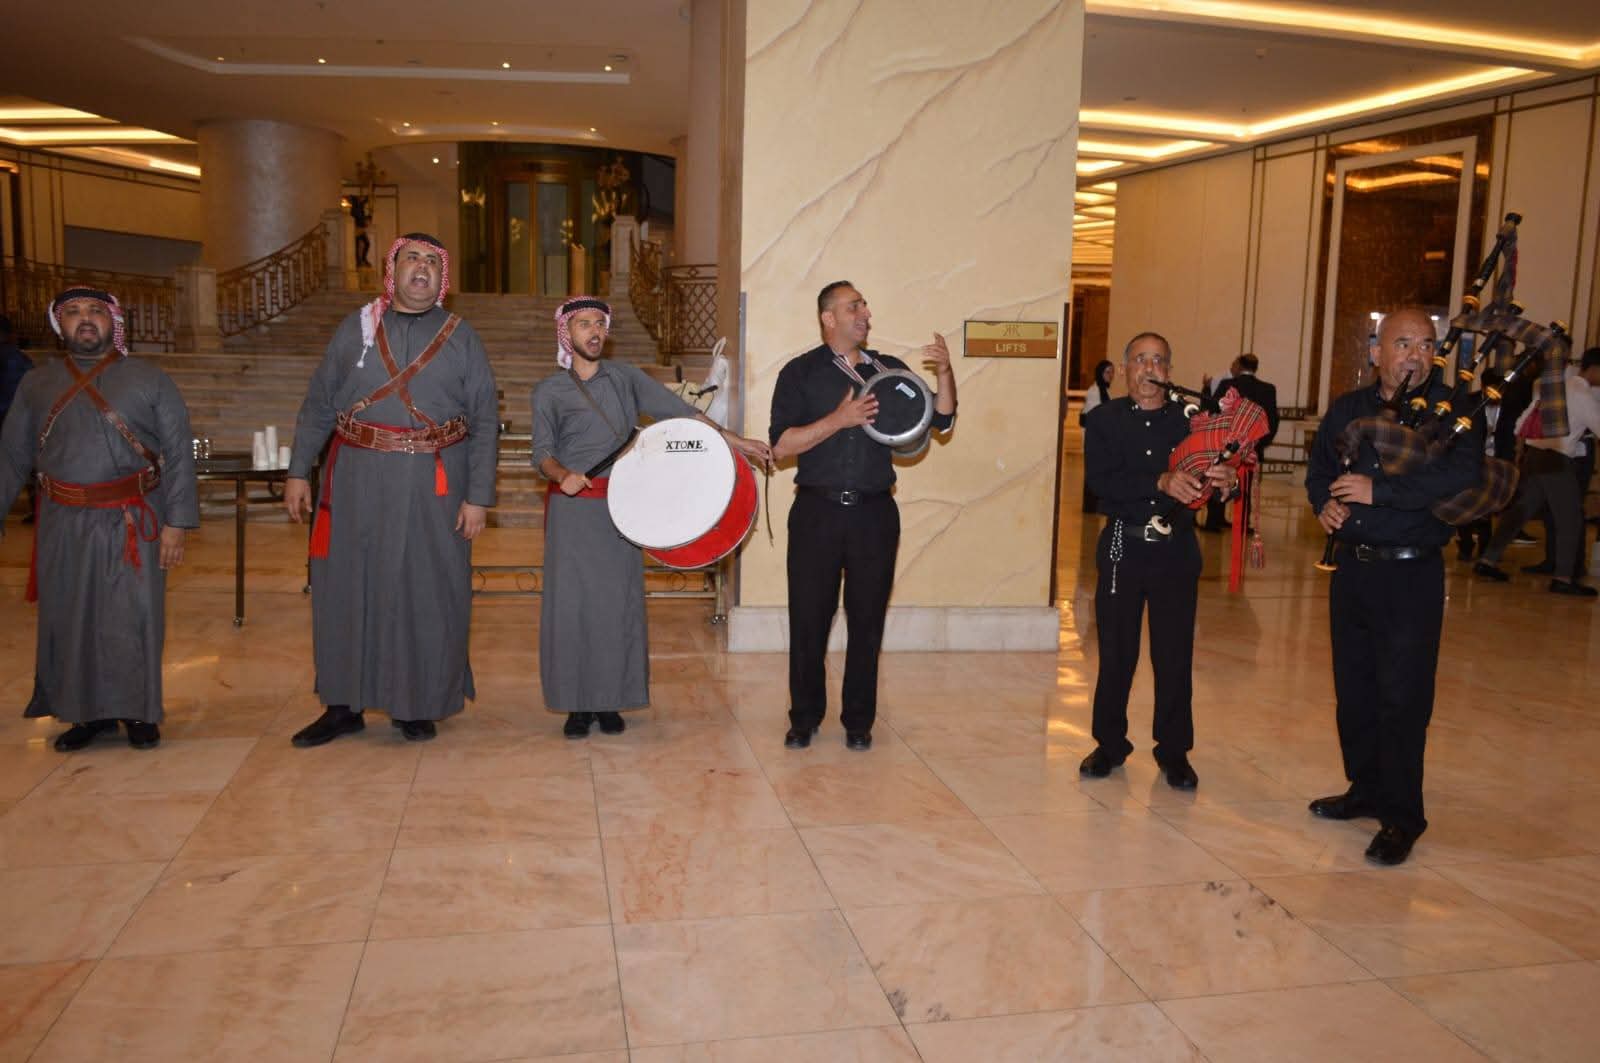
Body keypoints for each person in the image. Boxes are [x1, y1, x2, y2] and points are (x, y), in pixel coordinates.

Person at [284, 233, 499, 746]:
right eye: (411, 259)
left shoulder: (461, 336)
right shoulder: (356, 328)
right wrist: (296, 470)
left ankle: (416, 702)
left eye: (431, 262)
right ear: (392, 270)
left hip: (433, 484)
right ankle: (343, 704)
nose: (421, 268)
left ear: (442, 278)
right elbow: (320, 402)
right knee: (344, 588)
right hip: (354, 480)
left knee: (425, 590)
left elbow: (485, 419)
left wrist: (478, 496)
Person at [532, 296, 771, 739]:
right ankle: (576, 705)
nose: (594, 332)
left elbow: (684, 415)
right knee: (572, 606)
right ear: (566, 333)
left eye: (599, 323)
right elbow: (541, 452)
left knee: (617, 602)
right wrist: (561, 474)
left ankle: (610, 700)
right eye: (584, 324)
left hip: (623, 507)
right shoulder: (549, 390)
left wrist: (736, 441)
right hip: (572, 512)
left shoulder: (627, 378)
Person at [1305, 306, 1484, 865]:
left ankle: (1402, 816)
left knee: (1403, 698)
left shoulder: (1454, 412)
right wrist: (1324, 506)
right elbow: (1319, 472)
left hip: (1411, 573)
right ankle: (1365, 788)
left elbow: (1460, 476)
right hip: (1352, 570)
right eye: (1403, 343)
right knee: (1354, 691)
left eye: (1426, 344)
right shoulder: (1348, 409)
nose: (1415, 354)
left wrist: (1378, 492)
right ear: (1375, 351)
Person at [0, 288, 197, 751]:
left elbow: (178, 453)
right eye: (72, 312)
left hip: (134, 518)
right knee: (71, 618)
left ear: (113, 321)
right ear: (59, 325)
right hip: (62, 522)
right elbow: (11, 455)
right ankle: (87, 714)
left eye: (94, 311)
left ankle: (138, 711)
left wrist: (178, 522)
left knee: (133, 617)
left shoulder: (151, 379)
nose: (85, 319)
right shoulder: (35, 384)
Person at [769, 281, 957, 751]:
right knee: (808, 619)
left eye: (865, 306)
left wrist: (945, 372)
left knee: (867, 621)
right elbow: (781, 446)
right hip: (816, 512)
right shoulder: (800, 373)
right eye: (854, 306)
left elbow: (941, 420)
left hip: (875, 514)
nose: (865, 313)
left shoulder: (888, 371)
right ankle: (804, 717)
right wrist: (840, 419)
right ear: (828, 318)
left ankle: (859, 721)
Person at [1079, 331, 1234, 790]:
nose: (1150, 368)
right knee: (1116, 653)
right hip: (1122, 546)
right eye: (1141, 359)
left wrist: (1227, 482)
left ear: (1169, 371)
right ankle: (1109, 744)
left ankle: (1174, 751)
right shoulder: (1103, 419)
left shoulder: (1192, 422)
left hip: (1176, 551)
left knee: (1174, 655)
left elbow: (1216, 480)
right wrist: (1160, 482)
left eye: (1159, 360)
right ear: (1125, 369)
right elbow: (1101, 483)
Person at [1473, 347, 1600, 596]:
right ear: (1594, 368)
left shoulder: (1554, 385)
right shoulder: (1581, 392)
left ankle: (1488, 560)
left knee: (1519, 512)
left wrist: (1521, 451)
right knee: (1570, 520)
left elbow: (1521, 423)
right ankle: (1563, 578)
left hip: (1535, 455)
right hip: (1556, 459)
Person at [1203, 353, 1278, 531]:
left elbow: (1213, 411)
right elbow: (1272, 421)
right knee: (1245, 485)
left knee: (1220, 480)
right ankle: (1243, 524)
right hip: (1252, 447)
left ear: (1239, 366)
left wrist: (1206, 389)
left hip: (1225, 445)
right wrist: (1259, 444)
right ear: (1255, 368)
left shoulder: (1226, 384)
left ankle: (1214, 520)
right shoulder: (1267, 389)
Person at [1079, 359, 1113, 513]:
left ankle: (1097, 505)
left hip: (1101, 437)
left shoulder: (1105, 390)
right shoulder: (1094, 391)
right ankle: (1091, 506)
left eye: (1112, 372)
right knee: (1093, 472)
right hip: (1094, 438)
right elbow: (1091, 417)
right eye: (1107, 372)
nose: (1111, 375)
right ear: (1100, 373)